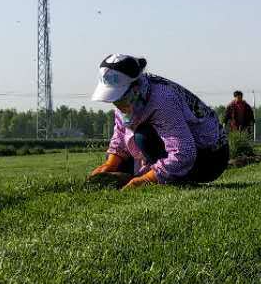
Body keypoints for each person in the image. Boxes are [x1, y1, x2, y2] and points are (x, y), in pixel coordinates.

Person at [88, 54, 230, 188]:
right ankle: (160, 173)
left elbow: (184, 152)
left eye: (119, 98)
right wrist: (111, 163)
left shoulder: (162, 99)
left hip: (210, 157)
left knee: (143, 137)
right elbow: (121, 133)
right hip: (188, 150)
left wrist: (147, 179)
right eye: (114, 99)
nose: (117, 104)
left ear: (135, 86)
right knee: (123, 164)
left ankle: (170, 176)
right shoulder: (131, 99)